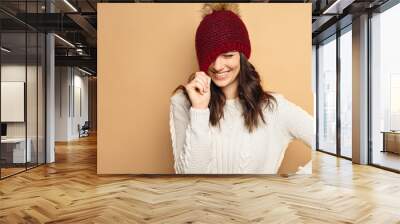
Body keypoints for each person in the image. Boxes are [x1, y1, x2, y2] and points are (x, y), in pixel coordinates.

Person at [169, 3, 314, 174]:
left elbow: (327, 144)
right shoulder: (183, 103)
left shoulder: (274, 108)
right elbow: (188, 178)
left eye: (228, 55)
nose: (217, 66)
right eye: (210, 57)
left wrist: (295, 185)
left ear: (242, 56)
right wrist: (199, 110)